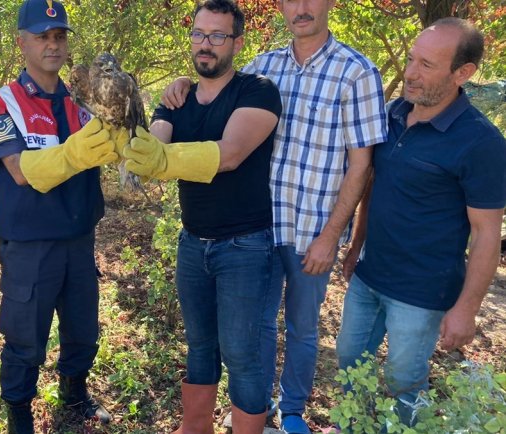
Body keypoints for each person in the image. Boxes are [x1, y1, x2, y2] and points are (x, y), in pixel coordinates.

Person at [161, 1, 388, 431]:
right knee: (254, 334)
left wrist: (333, 235)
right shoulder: (265, 66)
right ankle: (256, 412)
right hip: (257, 227)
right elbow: (217, 82)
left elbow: (363, 166)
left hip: (310, 229)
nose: (301, 9)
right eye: (291, 0)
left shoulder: (357, 72)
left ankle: (294, 412)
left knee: (302, 327)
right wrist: (182, 82)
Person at [337, 17, 506, 426]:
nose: (411, 73)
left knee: (404, 382)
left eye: (427, 65)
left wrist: (467, 309)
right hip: (370, 276)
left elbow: (486, 235)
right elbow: (374, 186)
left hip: (422, 293)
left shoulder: (481, 143)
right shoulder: (395, 113)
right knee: (348, 366)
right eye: (412, 59)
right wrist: (356, 246)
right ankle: (352, 425)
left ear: (463, 73)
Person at [123, 1, 282, 432]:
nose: (205, 45)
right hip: (193, 243)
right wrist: (133, 137)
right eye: (198, 34)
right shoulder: (177, 98)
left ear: (238, 42)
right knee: (199, 346)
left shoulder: (258, 90)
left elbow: (229, 155)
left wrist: (156, 157)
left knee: (242, 352)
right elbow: (150, 149)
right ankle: (195, 428)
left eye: (217, 35)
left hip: (246, 245)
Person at [0, 1, 125, 432]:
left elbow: (120, 143)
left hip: (79, 237)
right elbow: (20, 171)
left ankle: (74, 394)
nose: (52, 45)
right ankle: (18, 410)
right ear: (22, 42)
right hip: (31, 243)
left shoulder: (85, 101)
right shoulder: (3, 104)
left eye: (59, 36)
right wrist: (75, 152)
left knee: (83, 327)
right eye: (42, 36)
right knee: (25, 335)